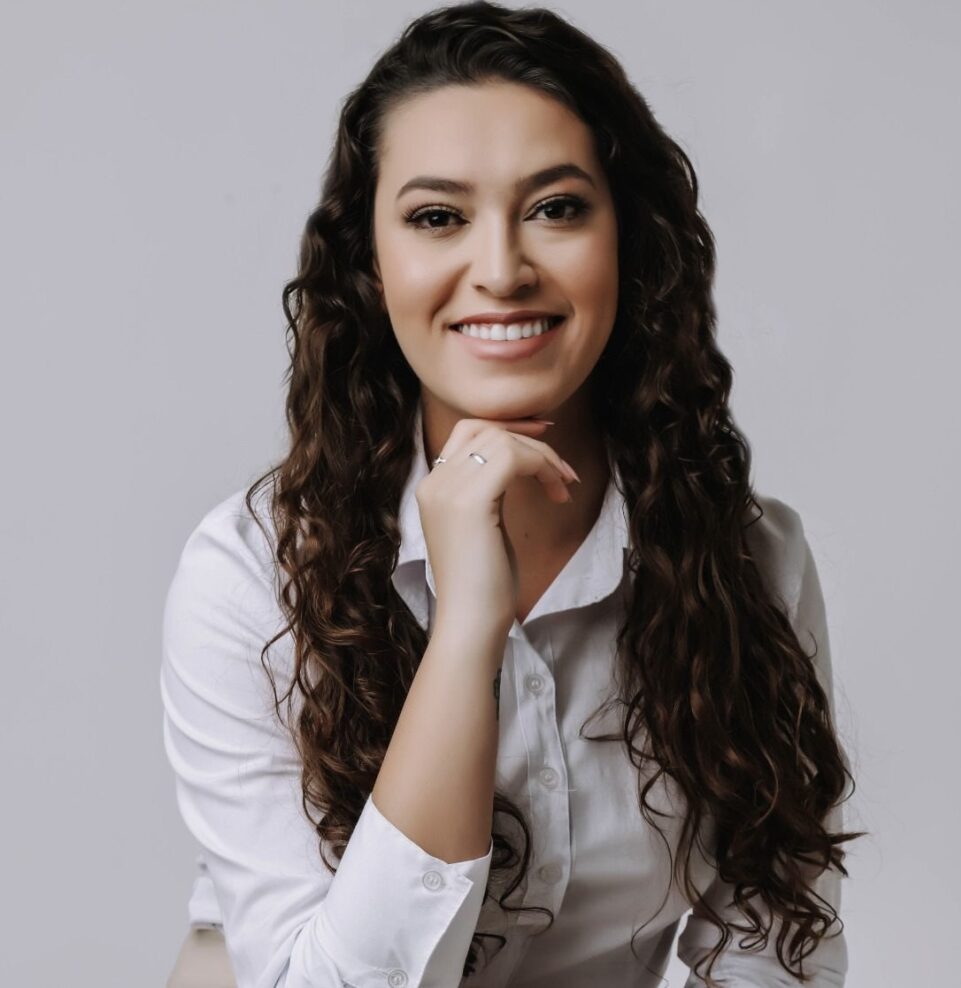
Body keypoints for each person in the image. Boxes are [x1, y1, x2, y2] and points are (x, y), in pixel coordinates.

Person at [160, 3, 865, 986]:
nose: (500, 271)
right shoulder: (248, 579)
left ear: (630, 240)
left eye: (556, 208)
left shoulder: (748, 561)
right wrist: (466, 632)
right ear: (371, 264)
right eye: (437, 217)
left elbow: (775, 948)